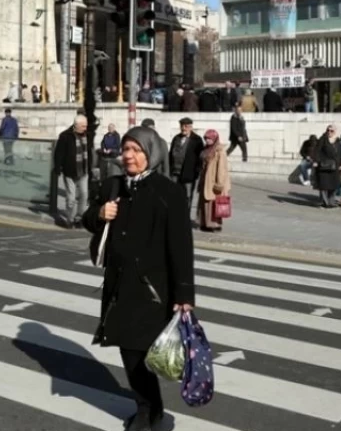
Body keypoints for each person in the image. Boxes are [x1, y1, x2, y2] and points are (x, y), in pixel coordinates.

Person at [83, 128, 195, 431]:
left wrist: (184, 295)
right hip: (119, 287)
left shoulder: (168, 192)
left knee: (141, 352)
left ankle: (148, 410)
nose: (129, 156)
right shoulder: (113, 185)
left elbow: (182, 248)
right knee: (129, 351)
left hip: (153, 290)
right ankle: (148, 406)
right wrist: (100, 213)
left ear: (151, 153)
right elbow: (87, 219)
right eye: (125, 149)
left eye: (136, 149)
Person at [198, 129, 231, 232]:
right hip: (205, 180)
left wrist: (219, 183)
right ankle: (204, 223)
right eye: (206, 138)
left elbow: (222, 168)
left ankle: (215, 225)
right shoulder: (206, 149)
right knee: (205, 203)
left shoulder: (219, 151)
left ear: (215, 138)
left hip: (214, 181)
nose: (207, 140)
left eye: (209, 138)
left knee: (214, 203)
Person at [312, 125, 341, 208]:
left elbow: (340, 154)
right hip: (323, 165)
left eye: (331, 131)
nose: (329, 132)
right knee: (323, 185)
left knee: (334, 185)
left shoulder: (338, 141)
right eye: (328, 130)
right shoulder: (323, 139)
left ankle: (331, 201)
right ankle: (324, 202)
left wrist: (340, 164)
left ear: (335, 132)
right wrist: (315, 161)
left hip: (335, 166)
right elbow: (316, 151)